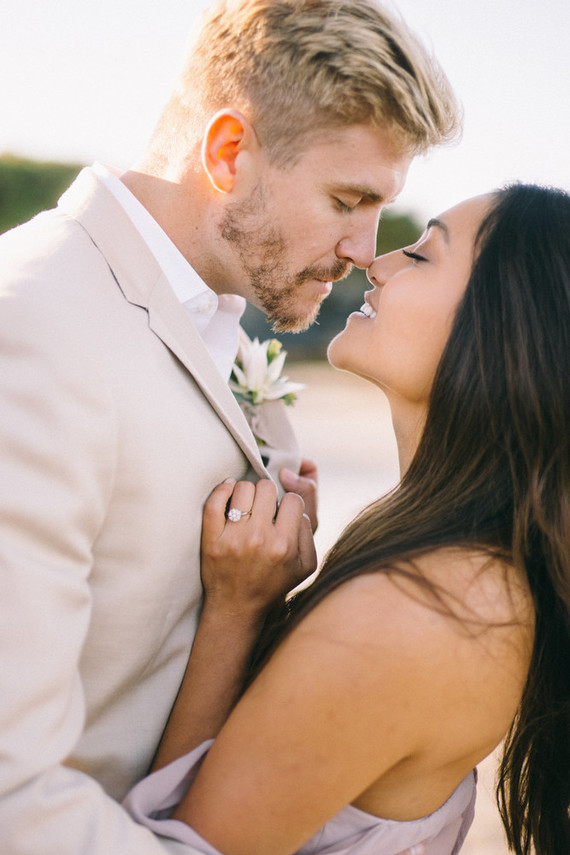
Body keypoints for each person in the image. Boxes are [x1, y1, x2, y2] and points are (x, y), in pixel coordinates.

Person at [0, 1, 460, 853]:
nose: (366, 249)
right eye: (346, 199)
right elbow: (12, 795)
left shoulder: (217, 319)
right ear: (227, 153)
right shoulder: (32, 328)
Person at [124, 183, 570, 855]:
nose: (377, 261)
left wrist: (237, 609)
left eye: (421, 257)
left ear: (507, 326)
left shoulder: (430, 608)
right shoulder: (464, 568)